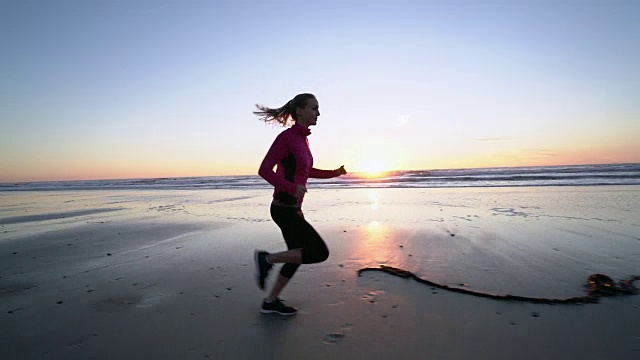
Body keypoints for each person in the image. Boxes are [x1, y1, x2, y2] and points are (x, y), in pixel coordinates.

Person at [253, 93, 347, 315]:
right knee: (318, 252)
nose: (318, 113)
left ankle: (271, 301)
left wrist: (334, 173)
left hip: (294, 208)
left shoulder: (303, 139)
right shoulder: (286, 138)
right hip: (283, 208)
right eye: (314, 108)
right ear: (300, 111)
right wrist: (290, 187)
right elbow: (264, 169)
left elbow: (306, 171)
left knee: (296, 255)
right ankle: (267, 259)